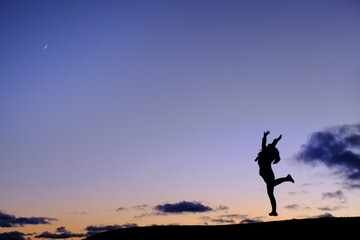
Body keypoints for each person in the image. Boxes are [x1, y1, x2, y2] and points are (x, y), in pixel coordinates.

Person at [255, 130, 294, 216]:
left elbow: (267, 145)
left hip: (268, 174)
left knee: (271, 191)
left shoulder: (266, 153)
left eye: (270, 146)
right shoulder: (267, 153)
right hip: (267, 174)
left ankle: (286, 178)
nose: (269, 145)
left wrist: (266, 137)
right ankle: (274, 211)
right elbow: (272, 144)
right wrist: (275, 139)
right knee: (271, 194)